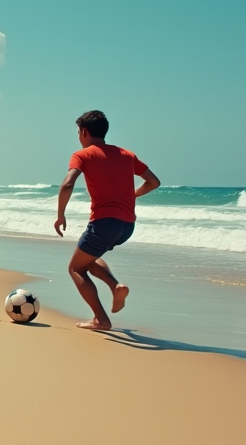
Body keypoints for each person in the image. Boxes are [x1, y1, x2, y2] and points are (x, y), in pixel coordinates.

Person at [55, 110, 160, 331]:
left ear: (84, 132)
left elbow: (67, 184)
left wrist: (60, 214)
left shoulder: (82, 155)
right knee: (89, 259)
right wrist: (133, 194)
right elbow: (153, 182)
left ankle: (101, 319)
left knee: (75, 268)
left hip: (104, 223)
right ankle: (116, 286)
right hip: (126, 226)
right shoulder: (127, 155)